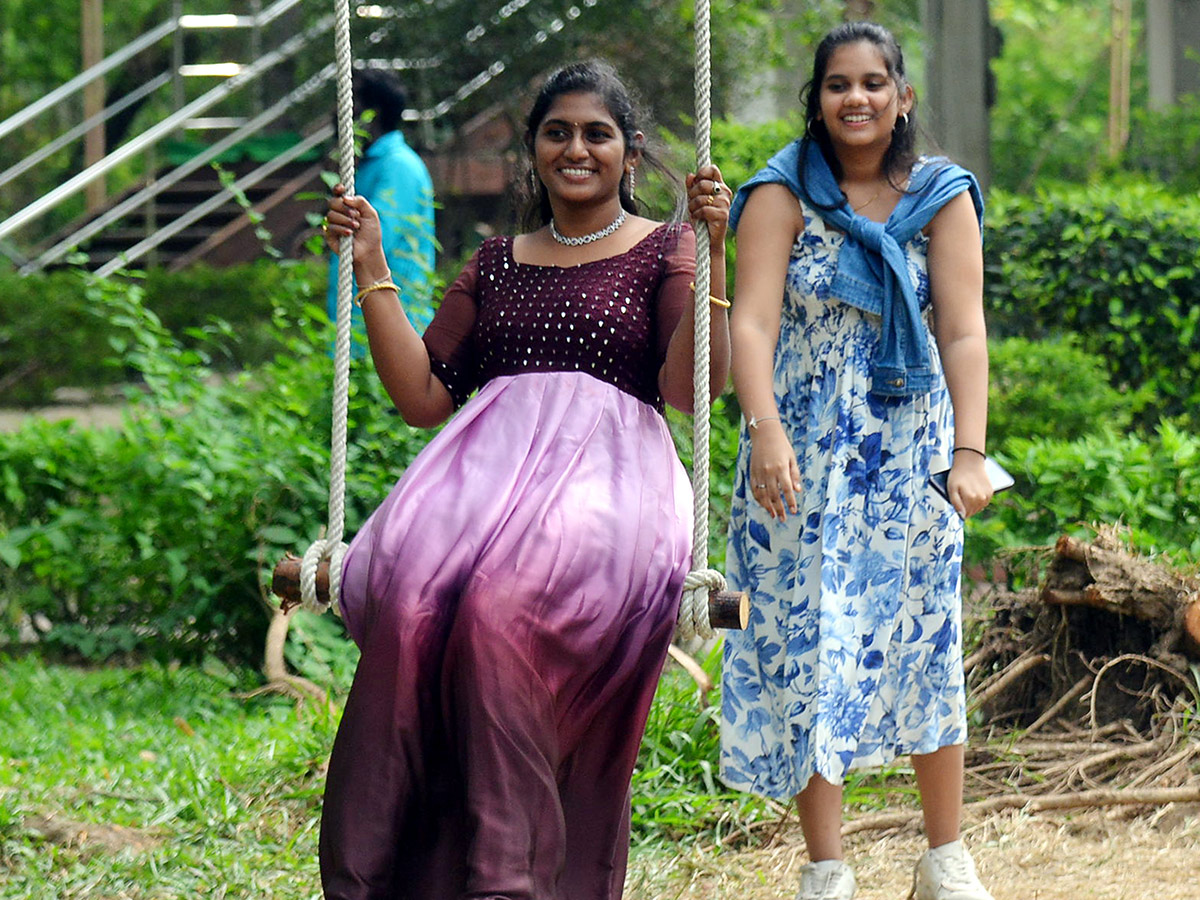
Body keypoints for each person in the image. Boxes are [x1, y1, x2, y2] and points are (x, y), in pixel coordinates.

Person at [317, 59, 731, 899]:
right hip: (477, 489)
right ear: (534, 149)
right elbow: (424, 396)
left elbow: (692, 390)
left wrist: (716, 253)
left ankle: (507, 881)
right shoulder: (498, 261)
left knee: (498, 611)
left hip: (608, 486)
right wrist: (369, 263)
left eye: (597, 134)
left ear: (631, 152)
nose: (576, 149)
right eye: (557, 132)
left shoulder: (666, 247)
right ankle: (373, 877)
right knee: (407, 607)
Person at [719, 22, 994, 900]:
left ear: (903, 97)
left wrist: (971, 453)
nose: (858, 99)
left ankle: (943, 859)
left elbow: (962, 330)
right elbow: (752, 322)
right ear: (819, 99)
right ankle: (827, 869)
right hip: (797, 456)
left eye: (875, 83)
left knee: (929, 638)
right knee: (811, 641)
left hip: (913, 453)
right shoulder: (778, 194)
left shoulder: (942, 196)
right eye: (839, 84)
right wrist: (764, 428)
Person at [327, 67, 437, 344]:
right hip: (358, 333)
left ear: (371, 113)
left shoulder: (397, 166)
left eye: (347, 104)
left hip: (392, 335)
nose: (336, 114)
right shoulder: (371, 165)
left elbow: (373, 244)